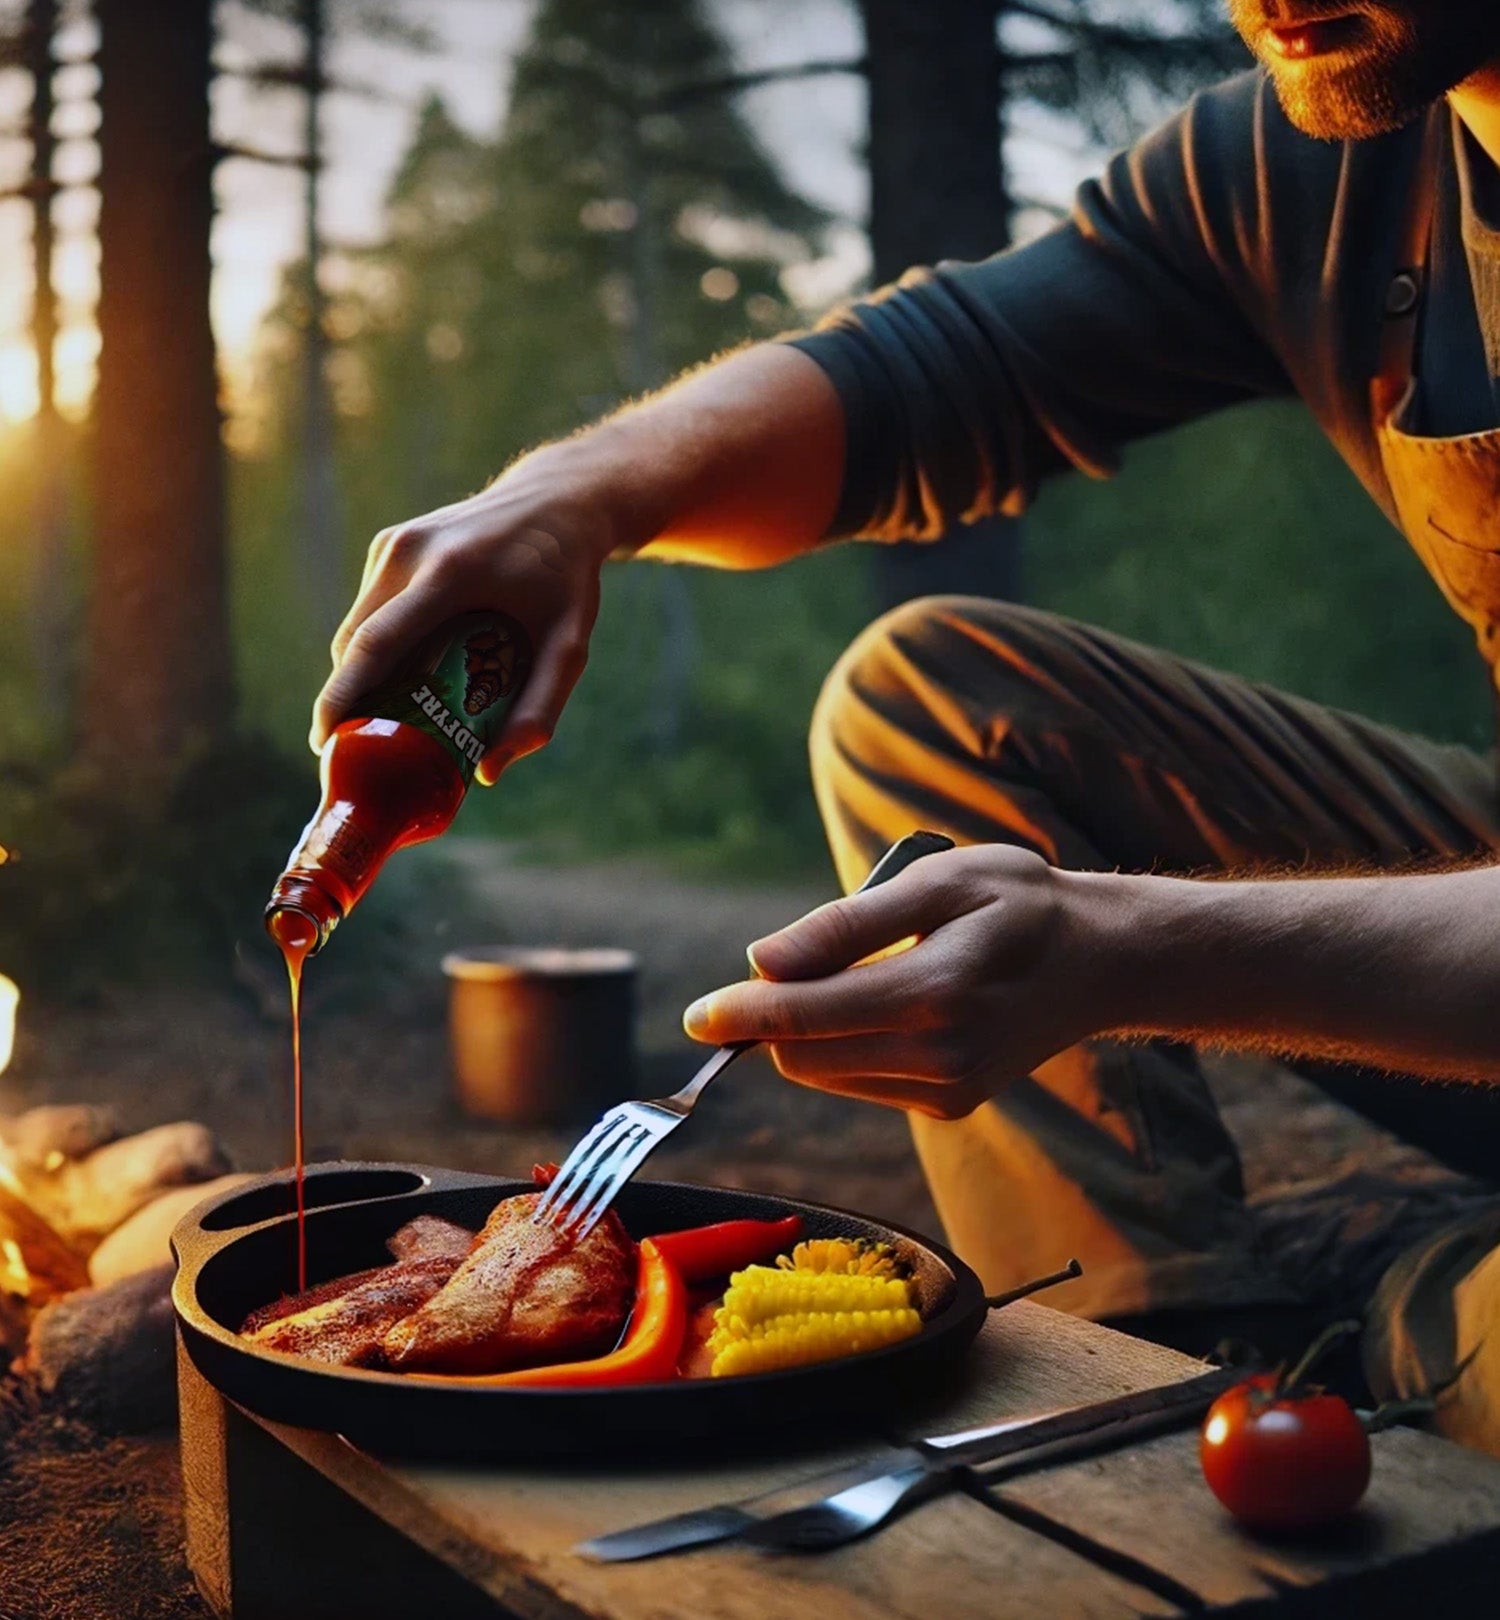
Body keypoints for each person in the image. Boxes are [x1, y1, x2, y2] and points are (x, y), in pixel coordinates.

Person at [312, 1, 1500, 1449]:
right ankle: (1149, 1368)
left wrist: (1136, 952)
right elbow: (931, 375)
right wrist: (578, 492)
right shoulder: (1328, 153)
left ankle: (1412, 1293)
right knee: (928, 694)